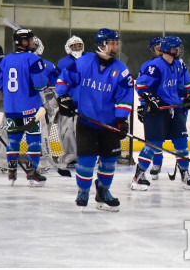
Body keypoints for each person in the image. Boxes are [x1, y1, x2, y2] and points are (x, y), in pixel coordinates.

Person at [55, 29, 133, 211]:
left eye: (116, 43)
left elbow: (124, 97)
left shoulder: (121, 70)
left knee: (109, 161)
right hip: (87, 122)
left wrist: (121, 120)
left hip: (110, 125)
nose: (115, 47)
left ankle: (103, 191)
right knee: (86, 161)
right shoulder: (84, 62)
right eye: (111, 43)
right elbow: (63, 81)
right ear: (101, 44)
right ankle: (83, 191)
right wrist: (64, 97)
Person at [132, 35, 190, 190]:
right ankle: (138, 176)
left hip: (174, 108)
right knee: (154, 144)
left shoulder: (178, 65)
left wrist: (188, 97)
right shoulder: (155, 66)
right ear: (167, 49)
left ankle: (185, 174)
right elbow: (141, 86)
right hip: (156, 111)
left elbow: (180, 86)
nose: (178, 50)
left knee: (182, 142)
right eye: (175, 48)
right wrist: (149, 99)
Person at [0, 28, 49, 186]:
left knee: (13, 138)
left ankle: (12, 170)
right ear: (24, 41)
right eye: (31, 39)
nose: (34, 42)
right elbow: (41, 84)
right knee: (33, 138)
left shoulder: (5, 60)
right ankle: (32, 171)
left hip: (11, 108)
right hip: (30, 108)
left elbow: (1, 83)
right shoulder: (33, 59)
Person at [137, 37, 165, 179]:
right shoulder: (147, 66)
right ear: (152, 50)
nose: (160, 50)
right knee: (154, 138)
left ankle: (184, 169)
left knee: (179, 140)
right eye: (157, 48)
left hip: (170, 107)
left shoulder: (176, 64)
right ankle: (156, 164)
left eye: (162, 46)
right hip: (153, 107)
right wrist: (143, 105)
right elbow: (142, 88)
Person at [56, 35, 85, 166]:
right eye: (74, 46)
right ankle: (71, 154)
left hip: (85, 103)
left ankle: (85, 153)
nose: (77, 48)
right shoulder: (63, 62)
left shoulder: (89, 59)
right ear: (68, 48)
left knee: (84, 130)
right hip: (69, 102)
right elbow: (60, 82)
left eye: (79, 45)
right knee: (66, 130)